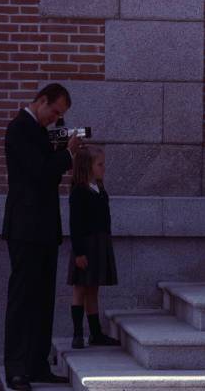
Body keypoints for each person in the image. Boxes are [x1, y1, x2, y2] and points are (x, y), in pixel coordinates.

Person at [2, 83, 82, 391]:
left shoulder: (40, 131)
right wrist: (68, 155)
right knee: (23, 299)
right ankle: (17, 368)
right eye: (55, 111)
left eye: (61, 115)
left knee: (44, 299)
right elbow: (39, 172)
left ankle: (37, 364)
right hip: (24, 228)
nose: (55, 118)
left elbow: (47, 168)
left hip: (46, 229)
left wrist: (62, 145)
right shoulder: (19, 128)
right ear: (41, 101)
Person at [68, 146, 119, 349]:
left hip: (99, 244)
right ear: (87, 166)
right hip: (86, 245)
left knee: (93, 289)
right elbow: (75, 224)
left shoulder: (100, 189)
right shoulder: (79, 191)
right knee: (80, 289)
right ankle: (77, 334)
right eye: (100, 164)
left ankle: (95, 333)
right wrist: (79, 252)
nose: (103, 168)